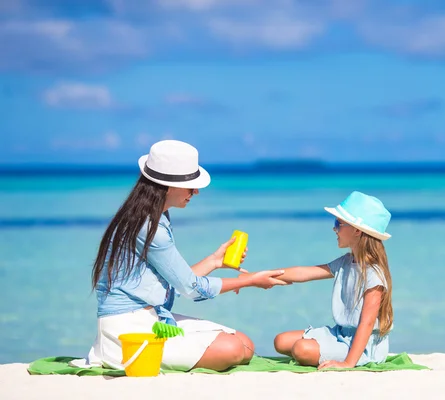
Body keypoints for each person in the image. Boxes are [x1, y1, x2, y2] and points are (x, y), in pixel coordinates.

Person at [85, 139, 287, 372]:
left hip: (154, 317)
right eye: (191, 185)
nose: (196, 192)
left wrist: (214, 261)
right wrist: (250, 281)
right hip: (127, 331)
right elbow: (190, 288)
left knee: (244, 344)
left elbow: (177, 281)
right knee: (233, 349)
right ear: (167, 186)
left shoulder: (153, 218)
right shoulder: (149, 227)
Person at [271, 191, 394, 370]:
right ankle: (329, 348)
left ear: (357, 230)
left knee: (301, 349)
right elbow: (304, 273)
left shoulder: (374, 274)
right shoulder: (346, 262)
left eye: (338, 223)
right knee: (280, 341)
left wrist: (348, 363)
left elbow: (367, 323)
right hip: (340, 333)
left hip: (365, 345)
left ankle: (345, 355)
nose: (334, 228)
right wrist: (262, 276)